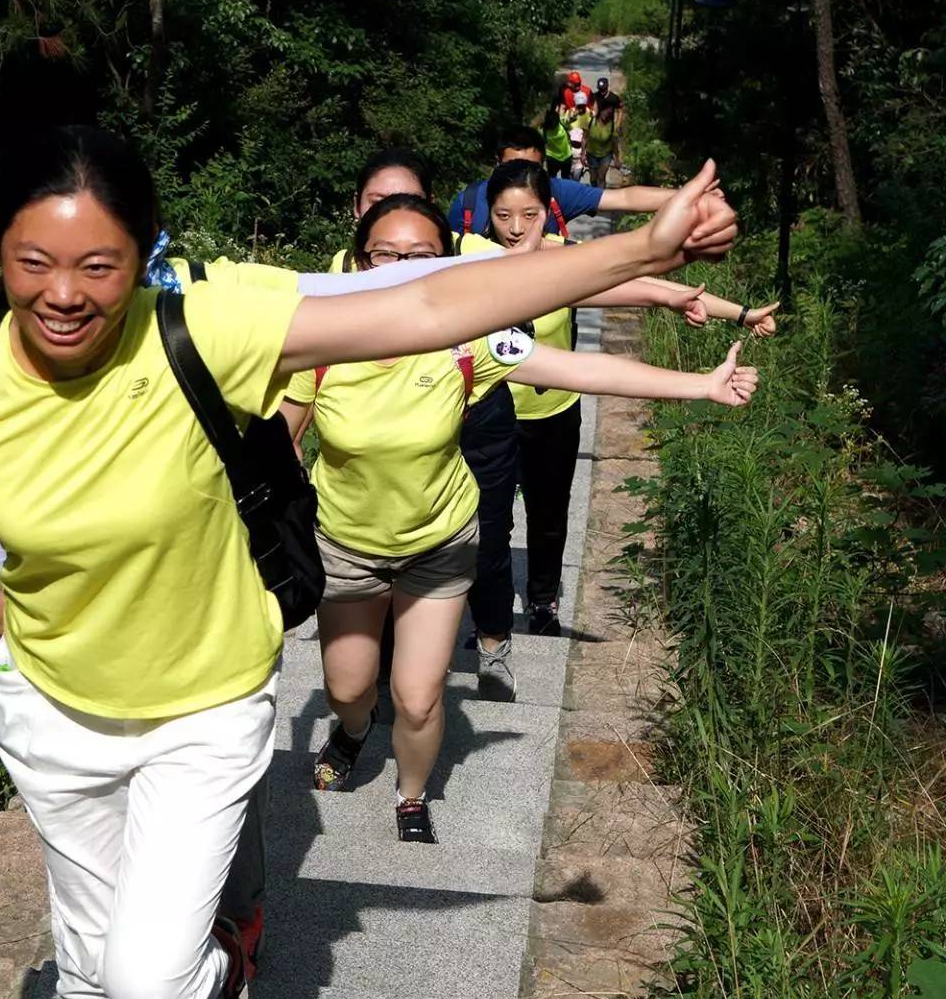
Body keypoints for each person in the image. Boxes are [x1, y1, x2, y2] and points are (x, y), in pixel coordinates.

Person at [0, 118, 738, 999]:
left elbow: (419, 306)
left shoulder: (206, 325)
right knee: (86, 961)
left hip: (202, 705)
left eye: (98, 264)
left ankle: (221, 969)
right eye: (32, 261)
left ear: (143, 256)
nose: (63, 293)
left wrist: (635, 253)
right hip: (47, 707)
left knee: (153, 973)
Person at [281, 193, 760, 836]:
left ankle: (412, 794)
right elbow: (277, 441)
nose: (398, 266)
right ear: (358, 260)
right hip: (344, 544)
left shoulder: (465, 342)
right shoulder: (322, 342)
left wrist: (700, 384)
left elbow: (582, 369)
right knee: (349, 689)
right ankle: (353, 730)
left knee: (419, 699)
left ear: (446, 264)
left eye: (419, 256)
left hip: (440, 541)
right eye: (384, 254)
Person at [463, 159, 775, 692]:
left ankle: (541, 600)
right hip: (489, 412)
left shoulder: (562, 262)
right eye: (504, 215)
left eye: (530, 214)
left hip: (553, 406)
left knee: (548, 512)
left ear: (550, 215)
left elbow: (643, 283)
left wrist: (737, 313)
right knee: (488, 522)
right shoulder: (467, 260)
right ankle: (490, 621)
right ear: (485, 216)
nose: (517, 227)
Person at [448, 129, 682, 241]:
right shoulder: (467, 202)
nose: (522, 177)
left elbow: (625, 198)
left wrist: (693, 197)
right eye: (503, 215)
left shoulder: (555, 191)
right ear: (497, 164)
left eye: (531, 169)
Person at [328, 146, 433, 272]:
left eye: (411, 202)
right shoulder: (345, 267)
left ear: (432, 207)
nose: (394, 216)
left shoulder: (462, 255)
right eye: (378, 203)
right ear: (357, 206)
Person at [585, 86, 623, 189]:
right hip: (591, 153)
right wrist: (582, 153)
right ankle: (593, 194)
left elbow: (614, 143)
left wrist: (617, 159)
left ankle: (600, 198)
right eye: (606, 111)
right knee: (593, 178)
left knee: (601, 177)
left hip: (606, 154)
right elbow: (585, 137)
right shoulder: (591, 122)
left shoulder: (611, 126)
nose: (607, 114)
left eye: (609, 113)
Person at [541, 94, 575, 172]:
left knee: (563, 178)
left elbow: (569, 119)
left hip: (566, 156)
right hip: (553, 158)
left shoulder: (559, 122)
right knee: (553, 179)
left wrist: (573, 116)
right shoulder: (544, 130)